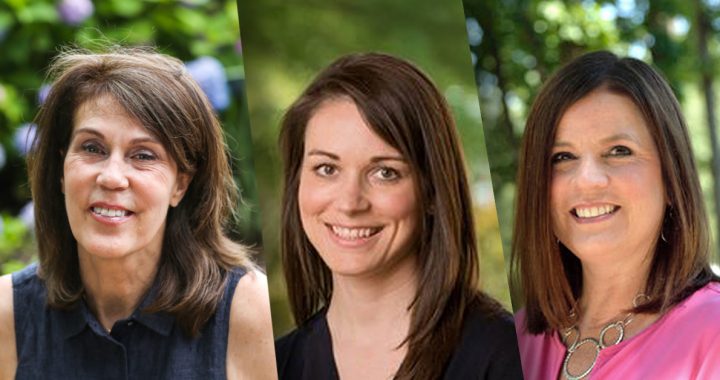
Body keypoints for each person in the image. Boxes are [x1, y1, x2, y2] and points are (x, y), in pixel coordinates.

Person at [0, 47, 276, 379]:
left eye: (143, 155)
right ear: (61, 171)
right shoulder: (8, 315)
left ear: (181, 185)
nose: (112, 177)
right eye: (92, 148)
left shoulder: (249, 311)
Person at [274, 52, 523, 380]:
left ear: (433, 191)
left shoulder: (506, 356)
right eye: (326, 168)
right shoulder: (277, 363)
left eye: (385, 173)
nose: (350, 203)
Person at [512, 50, 720, 379]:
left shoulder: (713, 332)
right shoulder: (513, 339)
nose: (588, 179)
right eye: (563, 156)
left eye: (619, 151)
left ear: (671, 177)